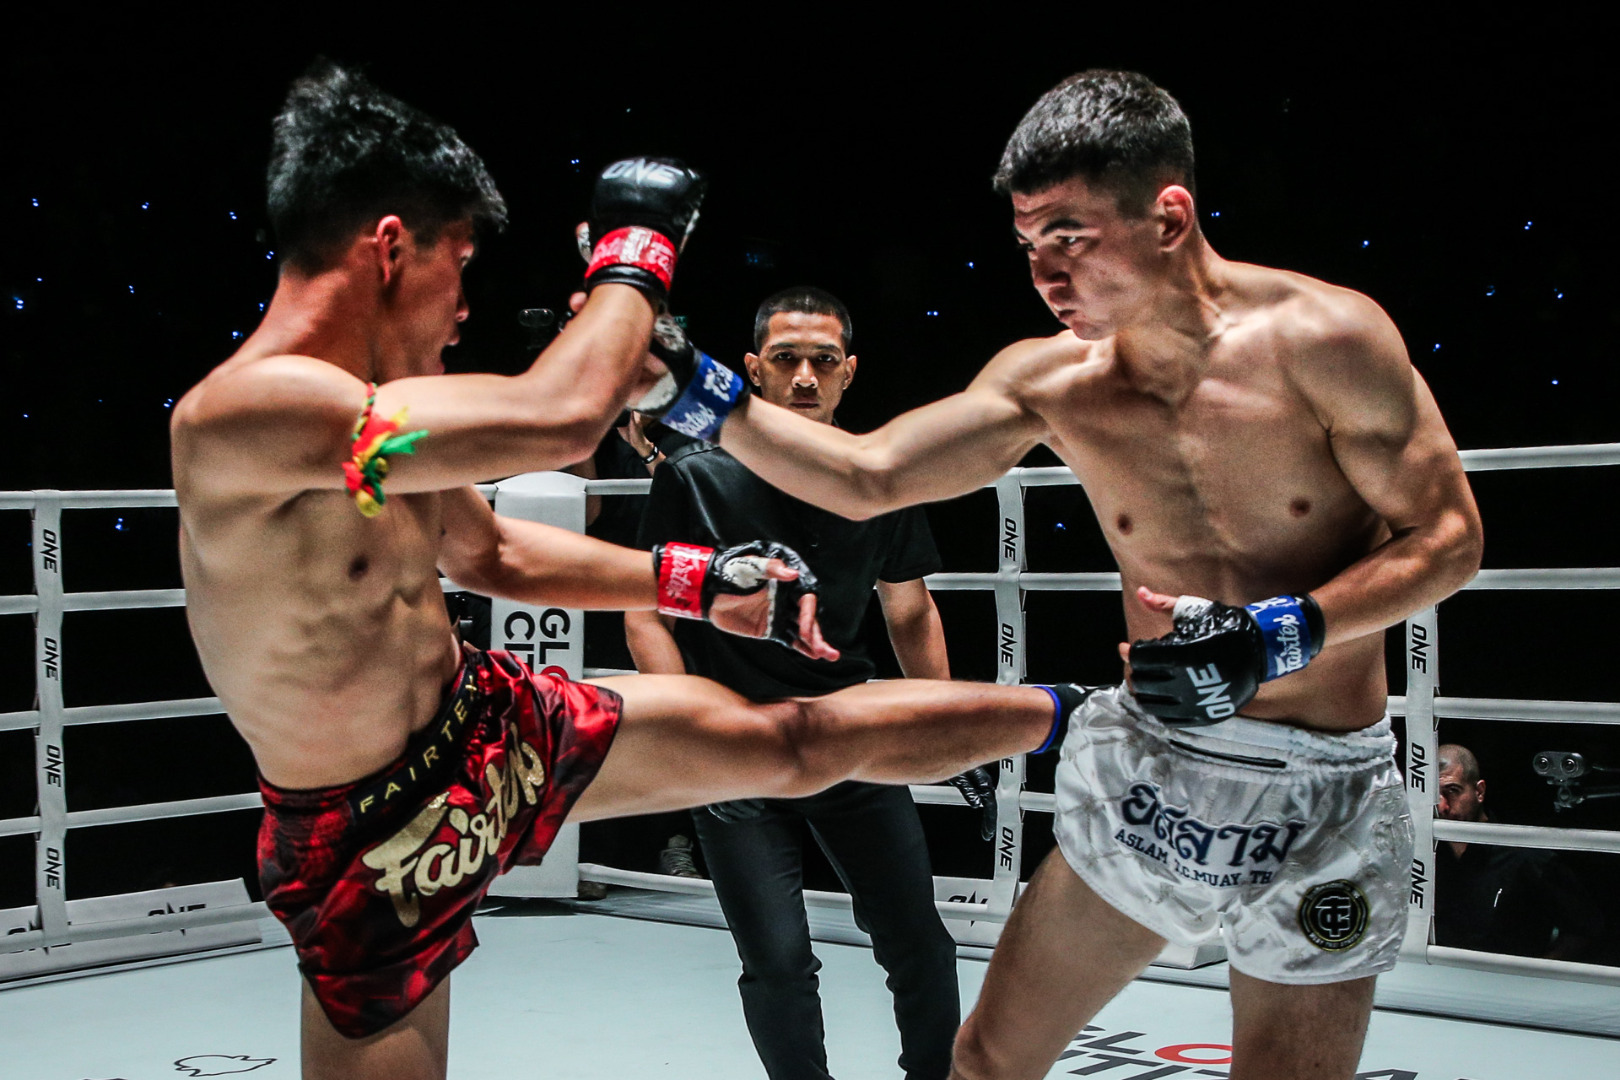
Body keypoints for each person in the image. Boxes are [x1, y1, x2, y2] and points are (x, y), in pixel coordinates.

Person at [172, 62, 1077, 1080]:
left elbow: (492, 552)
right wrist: (634, 255)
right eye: (458, 266)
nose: (465, 307)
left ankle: (1082, 716)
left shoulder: (382, 414)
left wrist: (700, 586)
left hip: (484, 730)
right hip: (370, 829)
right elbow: (558, 417)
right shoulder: (249, 412)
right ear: (389, 250)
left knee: (791, 740)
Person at [653, 70, 1486, 1079]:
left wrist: (1280, 634)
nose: (1046, 275)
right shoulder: (1054, 380)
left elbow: (1450, 538)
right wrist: (688, 385)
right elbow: (869, 476)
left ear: (1169, 217)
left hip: (1327, 791)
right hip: (1161, 769)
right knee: (986, 1061)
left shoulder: (1329, 340)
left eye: (1070, 238)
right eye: (1028, 245)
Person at [627, 286, 993, 1080]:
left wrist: (946, 726)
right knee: (777, 962)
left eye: (823, 361)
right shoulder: (694, 476)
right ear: (753, 368)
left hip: (850, 735)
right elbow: (646, 613)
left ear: (848, 372)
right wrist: (691, 738)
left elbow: (910, 610)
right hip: (736, 747)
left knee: (920, 942)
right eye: (786, 358)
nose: (804, 377)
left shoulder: (878, 479)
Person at [1433, 744, 1601, 961]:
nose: (1442, 806)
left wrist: (1536, 972)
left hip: (1508, 978)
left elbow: (1584, 928)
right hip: (1438, 974)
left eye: (1452, 791)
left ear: (1479, 792)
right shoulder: (1422, 858)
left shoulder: (1526, 858)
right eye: (1434, 794)